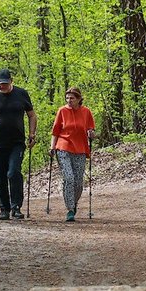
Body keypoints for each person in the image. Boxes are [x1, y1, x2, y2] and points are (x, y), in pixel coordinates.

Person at [0, 68, 37, 220]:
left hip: (16, 142)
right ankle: (3, 208)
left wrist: (32, 134)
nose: (2, 86)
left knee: (13, 173)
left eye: (5, 83)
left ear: (11, 81)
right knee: (0, 177)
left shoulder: (21, 94)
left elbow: (31, 115)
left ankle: (16, 207)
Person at [49, 87, 95, 222]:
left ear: (79, 99)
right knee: (69, 178)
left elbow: (91, 130)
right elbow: (55, 131)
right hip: (63, 147)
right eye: (67, 98)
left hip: (80, 148)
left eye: (72, 98)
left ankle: (74, 202)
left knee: (78, 182)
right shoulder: (62, 111)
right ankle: (70, 209)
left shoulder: (86, 112)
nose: (69, 100)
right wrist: (52, 147)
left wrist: (91, 134)